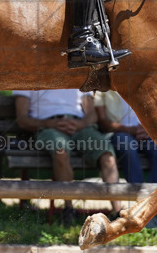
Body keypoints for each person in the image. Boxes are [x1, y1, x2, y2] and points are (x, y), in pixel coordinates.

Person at [13, 88, 122, 222]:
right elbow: (22, 119)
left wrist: (80, 124)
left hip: (80, 126)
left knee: (107, 155)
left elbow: (92, 115)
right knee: (61, 151)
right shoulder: (26, 76)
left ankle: (118, 213)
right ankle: (69, 209)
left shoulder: (77, 75)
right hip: (48, 127)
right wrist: (49, 123)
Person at [95, 91, 157, 230]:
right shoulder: (103, 88)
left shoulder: (144, 83)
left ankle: (148, 208)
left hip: (146, 133)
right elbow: (103, 123)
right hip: (118, 133)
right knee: (127, 147)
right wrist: (131, 129)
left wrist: (148, 130)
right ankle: (140, 206)